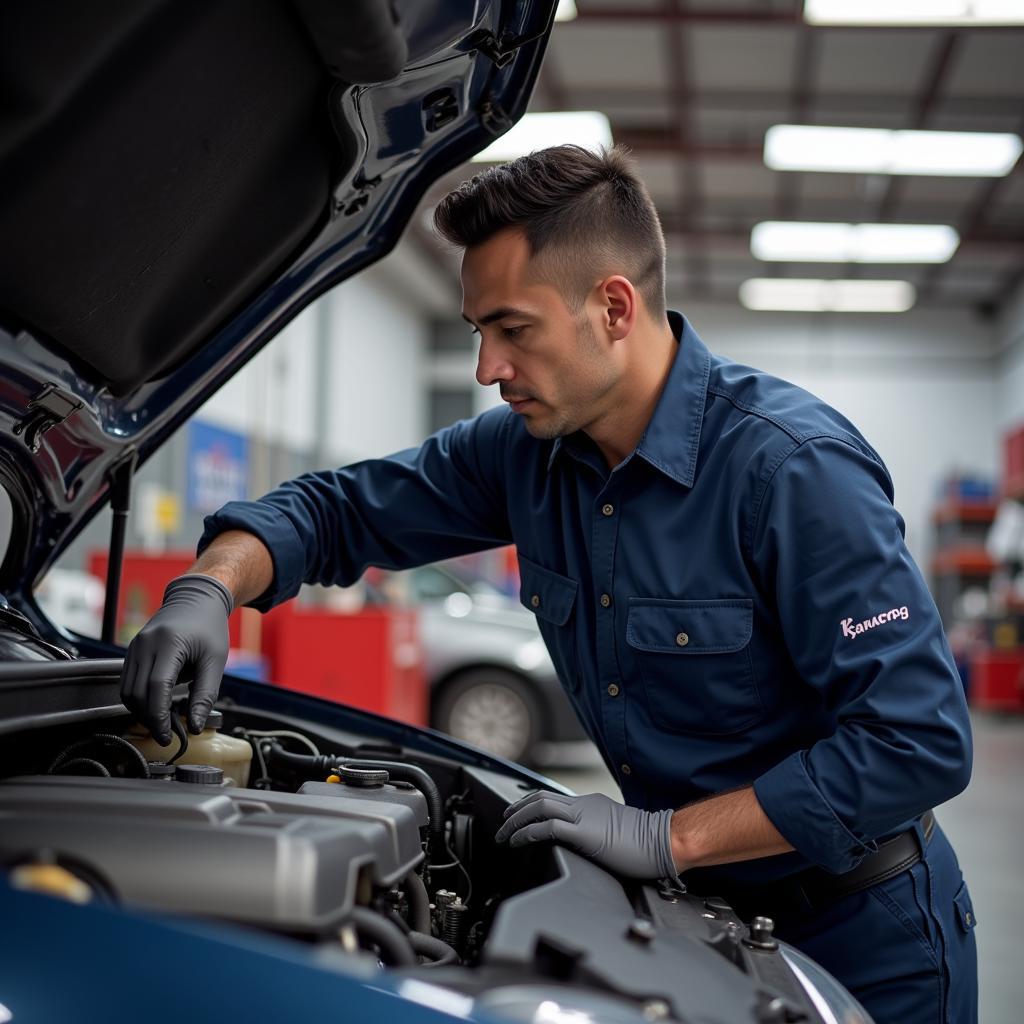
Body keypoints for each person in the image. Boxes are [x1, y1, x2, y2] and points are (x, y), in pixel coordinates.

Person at [121, 145, 977, 1023]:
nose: (488, 368)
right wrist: (209, 588)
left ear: (613, 306)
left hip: (863, 938)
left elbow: (918, 740)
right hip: (696, 917)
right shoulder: (521, 456)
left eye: (513, 328)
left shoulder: (792, 471)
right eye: (477, 333)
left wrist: (668, 837)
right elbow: (334, 511)